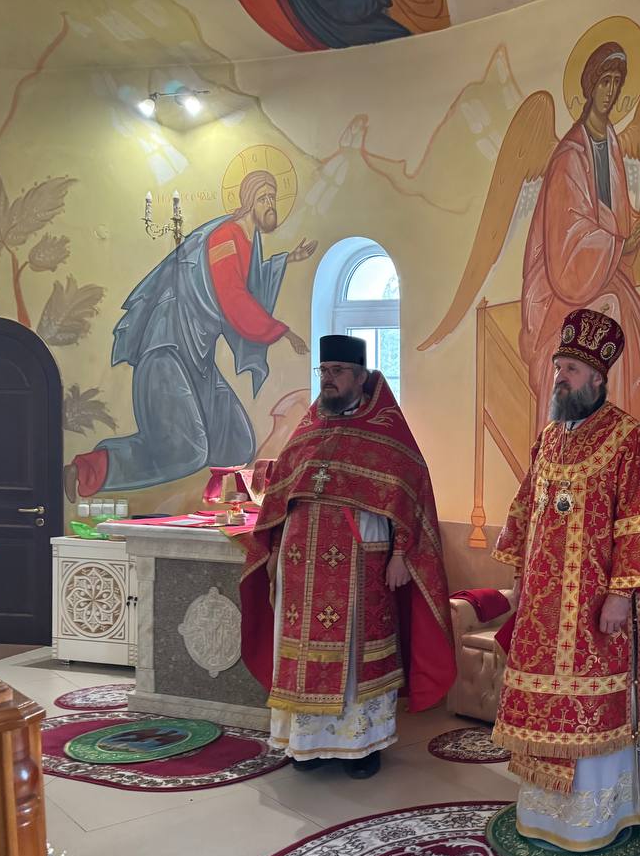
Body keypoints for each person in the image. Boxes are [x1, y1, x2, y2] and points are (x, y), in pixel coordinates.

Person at [491, 308, 640, 851]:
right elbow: (526, 509)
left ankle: (598, 819)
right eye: (559, 367)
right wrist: (520, 578)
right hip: (545, 609)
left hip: (600, 608)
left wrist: (621, 595)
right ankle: (544, 815)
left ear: (598, 378)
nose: (560, 377)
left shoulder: (628, 438)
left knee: (594, 710)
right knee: (545, 708)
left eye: (571, 369)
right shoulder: (549, 438)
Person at [239, 334, 455, 779]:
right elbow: (282, 493)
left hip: (360, 563)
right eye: (324, 371)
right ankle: (308, 745)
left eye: (337, 371)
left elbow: (410, 494)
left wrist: (402, 554)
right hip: (301, 567)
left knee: (358, 657)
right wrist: (273, 548)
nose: (328, 379)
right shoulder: (309, 430)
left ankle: (362, 746)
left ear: (361, 376)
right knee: (301, 654)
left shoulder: (386, 432)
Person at [64, 170, 315, 501]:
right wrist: (282, 331)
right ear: (248, 201)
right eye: (263, 198)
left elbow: (249, 282)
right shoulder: (225, 238)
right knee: (186, 452)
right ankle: (87, 469)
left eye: (273, 197)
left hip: (198, 358)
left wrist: (287, 260)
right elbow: (234, 298)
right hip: (167, 353)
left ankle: (218, 508)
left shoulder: (247, 240)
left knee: (237, 441)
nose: (270, 204)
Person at [520, 41, 640, 444]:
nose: (611, 91)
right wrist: (620, 241)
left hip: (602, 272)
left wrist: (635, 223)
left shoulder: (608, 141)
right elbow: (568, 239)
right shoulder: (569, 155)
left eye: (617, 82)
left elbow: (607, 211)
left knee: (639, 329)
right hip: (565, 287)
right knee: (610, 314)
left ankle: (626, 446)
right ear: (589, 87)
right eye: (604, 82)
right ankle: (578, 440)